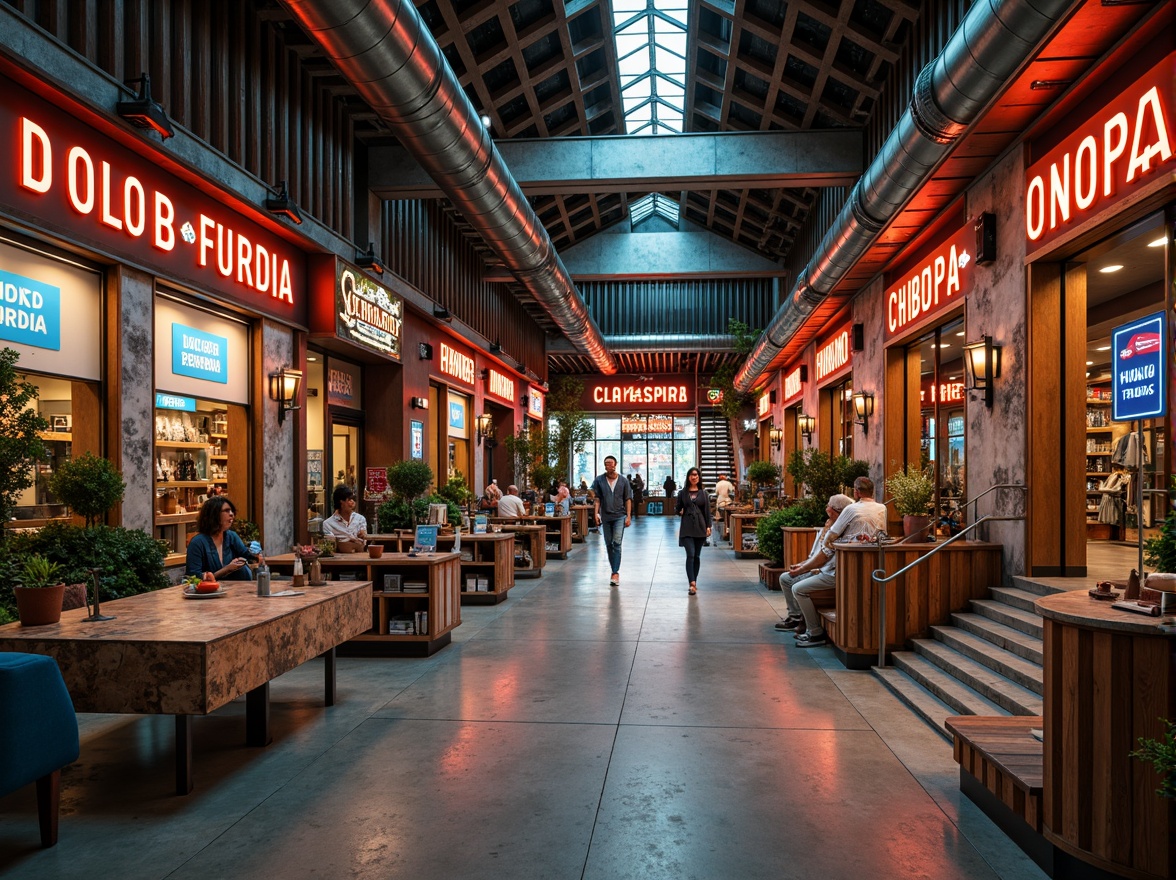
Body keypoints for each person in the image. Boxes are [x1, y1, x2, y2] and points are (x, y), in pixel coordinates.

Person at [789, 477, 888, 647]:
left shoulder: (851, 509)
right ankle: (805, 626)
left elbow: (831, 535)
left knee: (798, 589)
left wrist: (831, 543)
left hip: (842, 569)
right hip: (872, 567)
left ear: (856, 492)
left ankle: (815, 632)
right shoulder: (882, 508)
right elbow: (882, 535)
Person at [775, 494, 853, 633]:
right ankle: (795, 616)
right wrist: (803, 564)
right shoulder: (828, 526)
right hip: (820, 569)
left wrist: (802, 569)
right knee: (785, 578)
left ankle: (812, 628)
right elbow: (817, 554)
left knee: (797, 587)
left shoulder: (838, 530)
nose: (826, 508)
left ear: (834, 510)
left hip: (826, 572)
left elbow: (824, 558)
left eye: (828, 505)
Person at [186, 495, 255, 581]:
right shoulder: (198, 543)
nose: (231, 514)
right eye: (227, 511)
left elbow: (248, 556)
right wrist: (226, 570)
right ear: (214, 515)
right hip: (208, 592)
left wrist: (252, 556)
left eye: (232, 511)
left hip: (235, 591)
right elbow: (193, 578)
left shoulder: (231, 537)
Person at [592, 455, 632, 586]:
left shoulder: (623, 481)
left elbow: (628, 499)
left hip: (620, 515)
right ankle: (613, 568)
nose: (608, 465)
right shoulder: (599, 480)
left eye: (611, 463)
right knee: (609, 544)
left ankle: (615, 572)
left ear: (615, 464)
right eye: (606, 463)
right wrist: (596, 513)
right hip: (606, 516)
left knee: (617, 542)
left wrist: (628, 515)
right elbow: (597, 498)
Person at [675, 467, 711, 596]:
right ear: (688, 477)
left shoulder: (704, 494)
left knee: (696, 556)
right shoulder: (682, 493)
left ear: (699, 477)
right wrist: (679, 511)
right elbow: (677, 508)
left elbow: (707, 512)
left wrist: (709, 526)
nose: (694, 477)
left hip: (700, 527)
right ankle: (692, 583)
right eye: (691, 475)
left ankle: (694, 580)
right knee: (690, 554)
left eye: (696, 475)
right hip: (687, 527)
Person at [321, 484, 368, 552]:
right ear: (341, 502)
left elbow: (363, 542)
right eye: (349, 500)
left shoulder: (360, 519)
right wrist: (350, 541)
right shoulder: (327, 524)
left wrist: (363, 535)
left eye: (353, 499)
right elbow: (330, 546)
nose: (352, 502)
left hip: (360, 559)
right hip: (338, 561)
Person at [714, 473, 735, 540]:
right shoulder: (728, 483)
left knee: (722, 519)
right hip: (728, 501)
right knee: (728, 518)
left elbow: (716, 493)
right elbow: (732, 491)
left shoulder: (718, 484)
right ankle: (728, 532)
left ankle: (724, 532)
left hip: (720, 502)